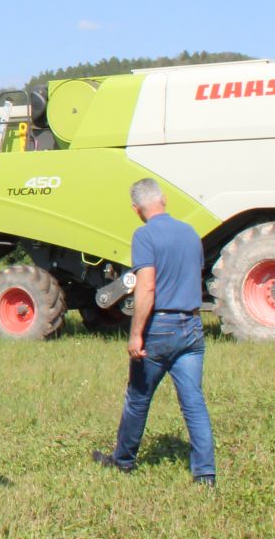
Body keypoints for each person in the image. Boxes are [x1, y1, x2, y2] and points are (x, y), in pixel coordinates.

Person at [92, 178, 216, 484]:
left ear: (136, 209)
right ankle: (205, 473)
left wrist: (136, 333)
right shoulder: (190, 233)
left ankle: (122, 461)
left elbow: (146, 286)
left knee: (138, 397)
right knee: (193, 401)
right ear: (164, 200)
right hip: (192, 325)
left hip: (160, 327)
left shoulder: (144, 236)